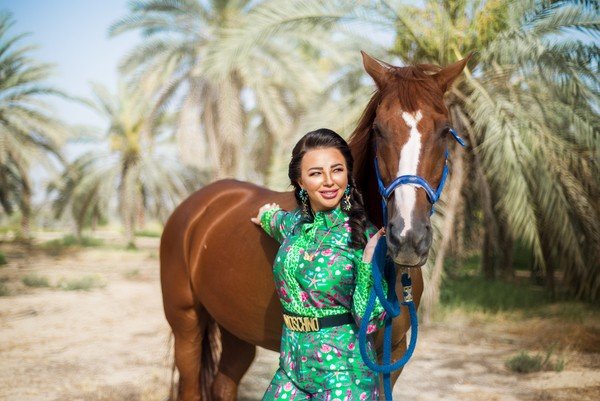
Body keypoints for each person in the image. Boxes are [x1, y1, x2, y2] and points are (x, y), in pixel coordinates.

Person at [251, 128, 387, 401]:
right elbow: (273, 219)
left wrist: (368, 264)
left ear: (348, 175)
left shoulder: (364, 236)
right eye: (315, 173)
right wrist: (265, 215)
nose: (328, 181)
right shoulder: (295, 226)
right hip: (291, 367)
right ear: (300, 182)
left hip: (344, 373)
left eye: (336, 170)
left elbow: (370, 321)